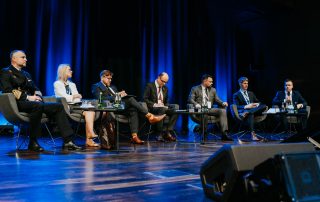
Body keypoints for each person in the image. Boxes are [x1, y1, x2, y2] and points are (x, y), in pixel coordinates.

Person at [0, 50, 81, 151]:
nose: (26, 59)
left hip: (32, 103)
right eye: (23, 57)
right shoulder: (6, 71)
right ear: (14, 59)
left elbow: (35, 88)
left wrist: (37, 94)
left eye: (25, 57)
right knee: (36, 106)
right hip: (17, 103)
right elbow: (8, 90)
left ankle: (68, 141)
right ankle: (33, 142)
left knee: (58, 106)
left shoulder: (26, 74)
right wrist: (28, 97)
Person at [91, 70, 166, 144]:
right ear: (102, 77)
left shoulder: (112, 87)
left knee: (133, 109)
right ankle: (150, 116)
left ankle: (134, 137)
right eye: (108, 78)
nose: (110, 80)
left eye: (111, 78)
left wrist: (121, 94)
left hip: (119, 106)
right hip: (109, 108)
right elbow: (101, 99)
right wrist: (117, 95)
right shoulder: (96, 86)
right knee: (130, 99)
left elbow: (116, 97)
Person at [54, 64, 100, 147]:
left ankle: (89, 139)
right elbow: (62, 97)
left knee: (90, 110)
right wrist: (74, 96)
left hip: (76, 105)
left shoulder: (72, 84)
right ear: (63, 71)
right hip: (66, 107)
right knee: (89, 110)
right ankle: (90, 135)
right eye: (69, 70)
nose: (71, 71)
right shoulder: (57, 84)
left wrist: (76, 98)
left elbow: (77, 98)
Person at [188, 74, 231, 141]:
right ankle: (204, 133)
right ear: (205, 81)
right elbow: (190, 99)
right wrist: (196, 104)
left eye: (212, 81)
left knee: (223, 111)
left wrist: (223, 103)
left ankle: (224, 134)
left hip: (209, 109)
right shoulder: (195, 89)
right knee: (204, 111)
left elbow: (217, 99)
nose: (212, 83)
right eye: (210, 81)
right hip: (200, 109)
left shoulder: (213, 90)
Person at [143, 72, 178, 142]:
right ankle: (159, 134)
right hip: (153, 108)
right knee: (161, 108)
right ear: (159, 78)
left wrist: (166, 106)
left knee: (176, 107)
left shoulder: (165, 88)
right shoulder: (150, 86)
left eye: (166, 82)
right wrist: (155, 104)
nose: (164, 83)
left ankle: (167, 131)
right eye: (163, 81)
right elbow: (145, 99)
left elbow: (167, 101)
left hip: (163, 107)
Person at [233, 77, 267, 141]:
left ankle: (249, 112)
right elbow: (236, 106)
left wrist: (256, 104)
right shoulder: (236, 95)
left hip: (252, 111)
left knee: (264, 105)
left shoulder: (251, 93)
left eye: (247, 83)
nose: (246, 85)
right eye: (244, 83)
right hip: (245, 111)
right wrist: (246, 106)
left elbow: (257, 101)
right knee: (251, 114)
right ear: (240, 84)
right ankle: (253, 134)